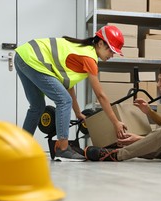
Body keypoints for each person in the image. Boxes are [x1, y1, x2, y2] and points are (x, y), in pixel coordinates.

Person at [14, 25, 127, 161]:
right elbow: (100, 95)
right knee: (63, 100)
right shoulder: (89, 57)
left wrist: (78, 113)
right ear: (100, 43)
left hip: (22, 56)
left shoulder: (82, 50)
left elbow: (68, 87)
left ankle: (20, 147)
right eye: (111, 50)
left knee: (37, 106)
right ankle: (62, 147)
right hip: (32, 59)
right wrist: (116, 122)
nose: (112, 55)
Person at [84, 60, 161, 162]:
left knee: (157, 137)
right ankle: (109, 150)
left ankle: (117, 155)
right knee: (147, 141)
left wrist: (139, 139)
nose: (158, 84)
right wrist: (148, 111)